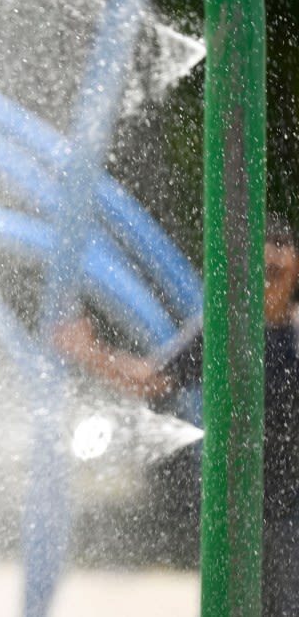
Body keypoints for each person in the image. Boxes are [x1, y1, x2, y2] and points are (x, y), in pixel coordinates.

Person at [54, 214, 299, 616]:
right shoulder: (225, 330)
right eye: (265, 266)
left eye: (279, 266)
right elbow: (150, 379)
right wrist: (89, 352)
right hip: (235, 509)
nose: (271, 275)